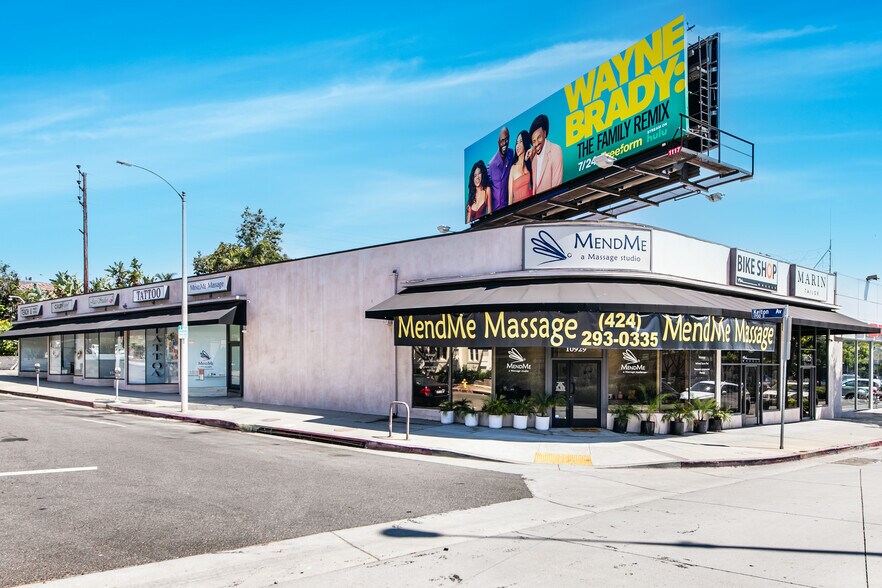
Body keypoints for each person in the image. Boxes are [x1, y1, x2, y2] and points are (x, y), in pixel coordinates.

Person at [526, 114, 562, 196]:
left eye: (539, 137)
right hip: (538, 204)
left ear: (544, 133)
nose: (536, 143)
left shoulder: (555, 150)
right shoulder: (534, 160)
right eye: (534, 141)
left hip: (553, 202)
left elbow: (557, 186)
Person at [487, 127, 513, 212]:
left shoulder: (511, 153)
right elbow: (486, 190)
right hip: (496, 211)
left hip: (509, 207)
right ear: (498, 143)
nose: (504, 143)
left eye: (506, 139)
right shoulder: (491, 165)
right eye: (502, 141)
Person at [508, 130, 532, 204]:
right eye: (516, 143)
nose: (517, 146)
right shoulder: (513, 168)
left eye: (520, 141)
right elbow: (510, 199)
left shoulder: (530, 163)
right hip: (519, 208)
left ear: (525, 143)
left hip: (532, 205)